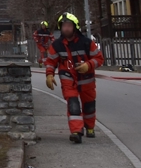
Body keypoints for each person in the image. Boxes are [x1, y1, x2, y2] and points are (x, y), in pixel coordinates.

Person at [45, 13, 104, 143]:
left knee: (89, 106)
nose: (66, 28)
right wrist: (49, 74)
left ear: (75, 27)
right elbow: (51, 61)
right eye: (64, 26)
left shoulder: (87, 43)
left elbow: (99, 59)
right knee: (73, 105)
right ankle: (76, 132)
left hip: (86, 79)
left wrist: (87, 65)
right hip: (68, 78)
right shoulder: (57, 45)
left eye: (69, 26)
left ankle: (89, 127)